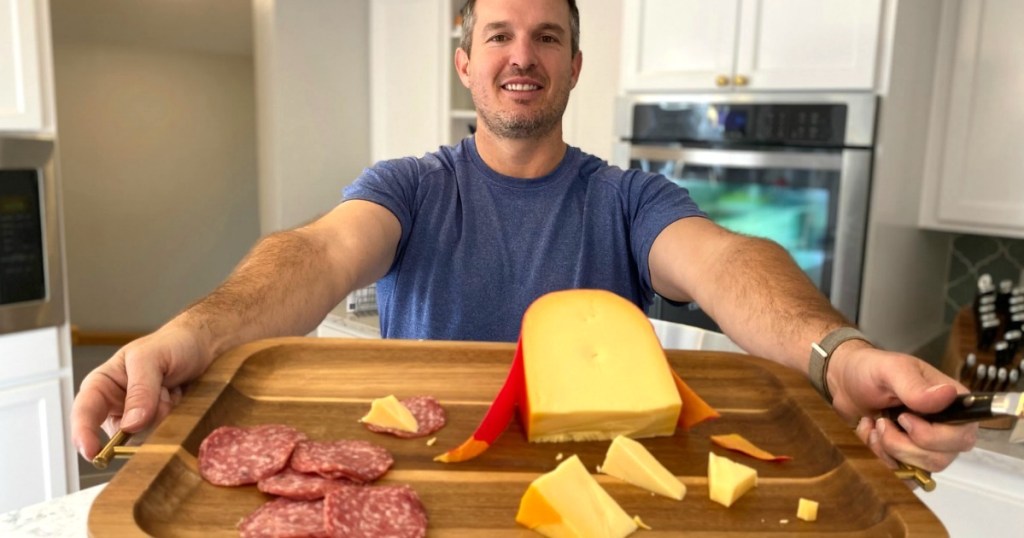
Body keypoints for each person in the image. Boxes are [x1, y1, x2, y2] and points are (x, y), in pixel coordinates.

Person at [71, 0, 976, 481]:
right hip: (425, 480)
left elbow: (725, 260)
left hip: (596, 491)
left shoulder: (627, 199)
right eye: (498, 33)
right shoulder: (410, 186)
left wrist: (834, 351)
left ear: (574, 66)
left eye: (548, 36)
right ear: (465, 62)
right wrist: (190, 333)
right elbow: (316, 254)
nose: (522, 54)